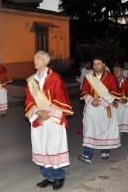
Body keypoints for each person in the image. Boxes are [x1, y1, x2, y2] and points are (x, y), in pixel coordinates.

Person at [25, 51, 73, 190]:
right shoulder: (31, 80)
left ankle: (59, 177)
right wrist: (38, 113)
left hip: (53, 120)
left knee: (53, 148)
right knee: (40, 147)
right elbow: (29, 99)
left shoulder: (55, 78)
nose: (34, 60)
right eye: (34, 58)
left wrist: (47, 114)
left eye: (37, 58)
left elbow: (61, 99)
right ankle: (48, 177)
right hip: (39, 118)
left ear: (46, 61)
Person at [78, 57, 122, 163]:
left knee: (106, 130)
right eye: (94, 64)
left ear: (103, 65)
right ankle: (87, 154)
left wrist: (101, 102)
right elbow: (84, 91)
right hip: (91, 107)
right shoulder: (88, 77)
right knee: (89, 129)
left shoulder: (110, 77)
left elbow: (115, 92)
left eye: (98, 64)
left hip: (105, 107)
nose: (96, 66)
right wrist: (91, 100)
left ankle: (105, 151)